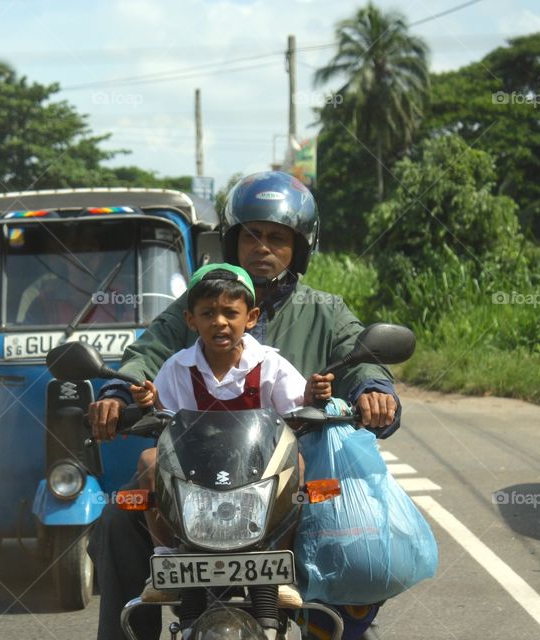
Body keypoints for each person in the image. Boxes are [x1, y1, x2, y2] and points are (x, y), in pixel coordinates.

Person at [87, 171, 400, 640]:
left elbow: (361, 359)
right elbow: (146, 356)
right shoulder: (196, 306)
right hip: (193, 478)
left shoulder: (325, 311)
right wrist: (116, 394)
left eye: (277, 237)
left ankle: (334, 629)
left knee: (358, 520)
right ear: (232, 243)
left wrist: (375, 391)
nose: (263, 247)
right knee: (117, 519)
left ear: (300, 247)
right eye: (251, 235)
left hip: (288, 478)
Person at [129, 262, 332, 553]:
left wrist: (313, 395)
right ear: (190, 319)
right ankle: (165, 555)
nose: (219, 322)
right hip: (193, 472)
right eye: (208, 313)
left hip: (259, 469)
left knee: (296, 464)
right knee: (149, 461)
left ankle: (279, 556)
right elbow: (165, 422)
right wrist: (149, 402)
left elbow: (298, 413)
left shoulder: (270, 364)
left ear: (251, 318)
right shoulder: (177, 367)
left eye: (230, 313)